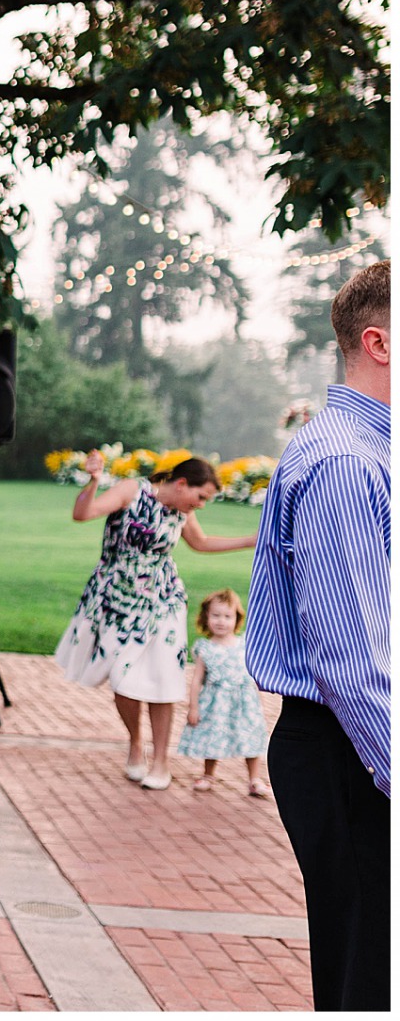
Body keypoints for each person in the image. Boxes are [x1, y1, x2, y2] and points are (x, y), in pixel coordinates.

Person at [247, 258, 389, 1012]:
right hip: (350, 750)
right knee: (368, 976)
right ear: (380, 342)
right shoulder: (344, 460)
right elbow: (350, 661)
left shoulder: (361, 449)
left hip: (351, 745)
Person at [56, 453, 257, 790]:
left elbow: (201, 542)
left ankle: (162, 760)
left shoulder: (181, 511)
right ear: (181, 483)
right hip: (117, 600)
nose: (202, 505)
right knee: (122, 679)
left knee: (163, 680)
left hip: (164, 601)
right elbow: (82, 514)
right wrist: (93, 482)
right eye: (201, 496)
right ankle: (136, 742)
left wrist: (250, 540)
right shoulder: (131, 491)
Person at [179, 590, 269, 796]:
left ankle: (254, 778)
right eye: (216, 616)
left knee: (251, 739)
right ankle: (208, 775)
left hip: (244, 702)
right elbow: (196, 681)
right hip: (215, 703)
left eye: (227, 616)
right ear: (206, 617)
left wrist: (259, 704)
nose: (221, 621)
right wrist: (193, 707)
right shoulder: (205, 648)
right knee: (213, 737)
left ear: (236, 619)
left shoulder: (245, 645)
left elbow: (254, 678)